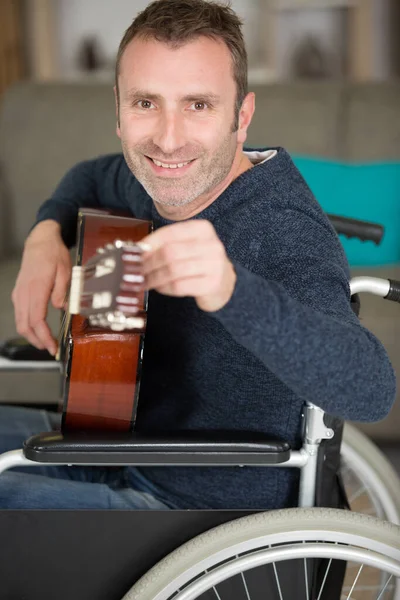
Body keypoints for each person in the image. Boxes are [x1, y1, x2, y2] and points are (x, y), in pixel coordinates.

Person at [1, 0, 396, 509]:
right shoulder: (154, 180)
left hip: (185, 510)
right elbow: (91, 177)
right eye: (146, 103)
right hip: (112, 441)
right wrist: (44, 236)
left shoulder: (282, 230)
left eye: (198, 105)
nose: (168, 140)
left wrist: (231, 290)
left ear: (242, 116)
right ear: (118, 110)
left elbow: (371, 389)